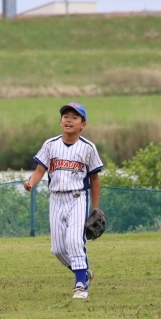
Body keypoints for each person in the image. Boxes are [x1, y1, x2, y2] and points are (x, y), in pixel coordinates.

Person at [23, 101, 104, 299]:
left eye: (75, 117)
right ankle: (84, 272)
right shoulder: (50, 145)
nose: (69, 120)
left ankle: (80, 285)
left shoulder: (88, 148)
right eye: (66, 116)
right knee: (58, 249)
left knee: (75, 241)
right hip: (56, 199)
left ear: (83, 125)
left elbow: (94, 179)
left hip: (77, 197)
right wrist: (31, 182)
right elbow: (40, 170)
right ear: (60, 122)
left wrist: (95, 208)